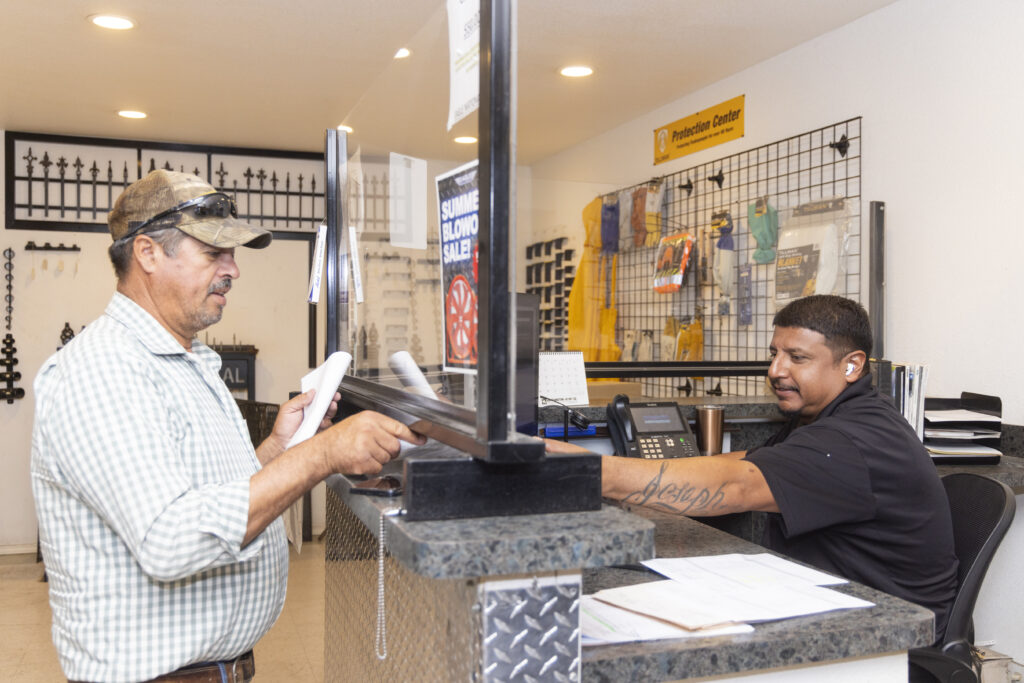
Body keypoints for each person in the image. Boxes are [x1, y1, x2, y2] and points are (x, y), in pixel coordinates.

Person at [31, 169, 424, 682]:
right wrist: (321, 454)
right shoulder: (104, 370)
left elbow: (198, 493)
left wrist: (280, 449)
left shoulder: (183, 360)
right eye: (213, 253)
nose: (233, 269)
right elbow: (171, 539)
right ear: (148, 254)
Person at [554, 294, 958, 641]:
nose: (776, 371)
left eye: (797, 358)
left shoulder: (852, 440)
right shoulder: (836, 416)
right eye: (775, 353)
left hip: (891, 633)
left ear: (851, 365)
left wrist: (576, 470)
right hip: (841, 603)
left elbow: (737, 486)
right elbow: (747, 463)